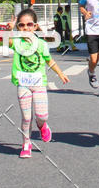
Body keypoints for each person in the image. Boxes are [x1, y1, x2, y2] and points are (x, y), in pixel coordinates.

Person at [9, 8, 70, 158]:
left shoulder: (41, 44)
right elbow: (9, 41)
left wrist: (60, 73)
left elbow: (50, 60)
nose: (26, 28)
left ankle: (42, 125)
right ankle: (26, 144)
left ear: (35, 26)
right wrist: (10, 29)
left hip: (39, 84)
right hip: (23, 85)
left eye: (29, 24)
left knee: (42, 115)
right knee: (26, 117)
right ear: (18, 28)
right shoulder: (17, 42)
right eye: (21, 25)